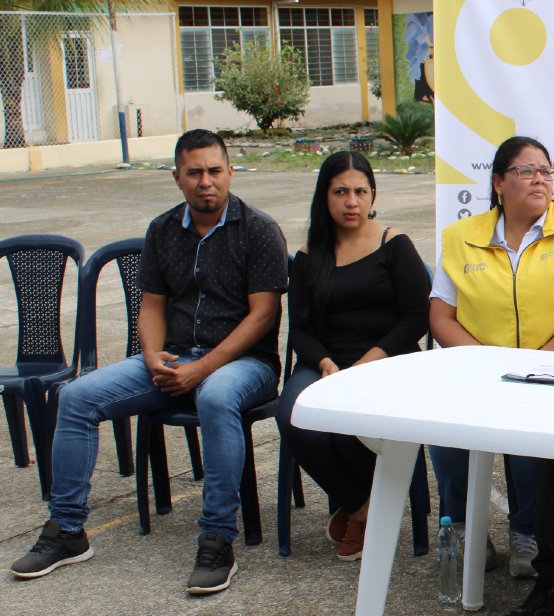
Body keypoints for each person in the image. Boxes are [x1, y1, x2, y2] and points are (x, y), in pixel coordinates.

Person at [9, 129, 288, 594]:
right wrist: (153, 354)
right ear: (176, 177)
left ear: (230, 173)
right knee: (76, 396)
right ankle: (68, 530)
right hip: (173, 358)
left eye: (214, 171)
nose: (206, 182)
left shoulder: (258, 230)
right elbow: (152, 307)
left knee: (217, 396)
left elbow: (263, 317)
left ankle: (218, 537)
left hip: (245, 365)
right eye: (194, 172)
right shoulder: (161, 231)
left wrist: (203, 368)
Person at [430, 136, 554, 583]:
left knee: (533, 423)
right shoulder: (461, 238)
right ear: (498, 183)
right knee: (441, 425)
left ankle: (528, 532)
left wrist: (535, 369)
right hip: (483, 370)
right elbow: (441, 316)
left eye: (547, 171)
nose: (540, 179)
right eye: (526, 170)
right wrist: (486, 367)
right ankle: (462, 528)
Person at [275, 150, 429, 561]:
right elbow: (301, 330)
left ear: (372, 194)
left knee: (347, 416)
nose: (352, 201)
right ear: (324, 197)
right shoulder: (309, 257)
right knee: (293, 413)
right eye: (341, 191)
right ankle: (362, 507)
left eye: (361, 191)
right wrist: (326, 364)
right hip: (326, 363)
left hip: (387, 360)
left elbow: (417, 317)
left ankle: (357, 513)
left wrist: (370, 359)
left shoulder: (393, 244)